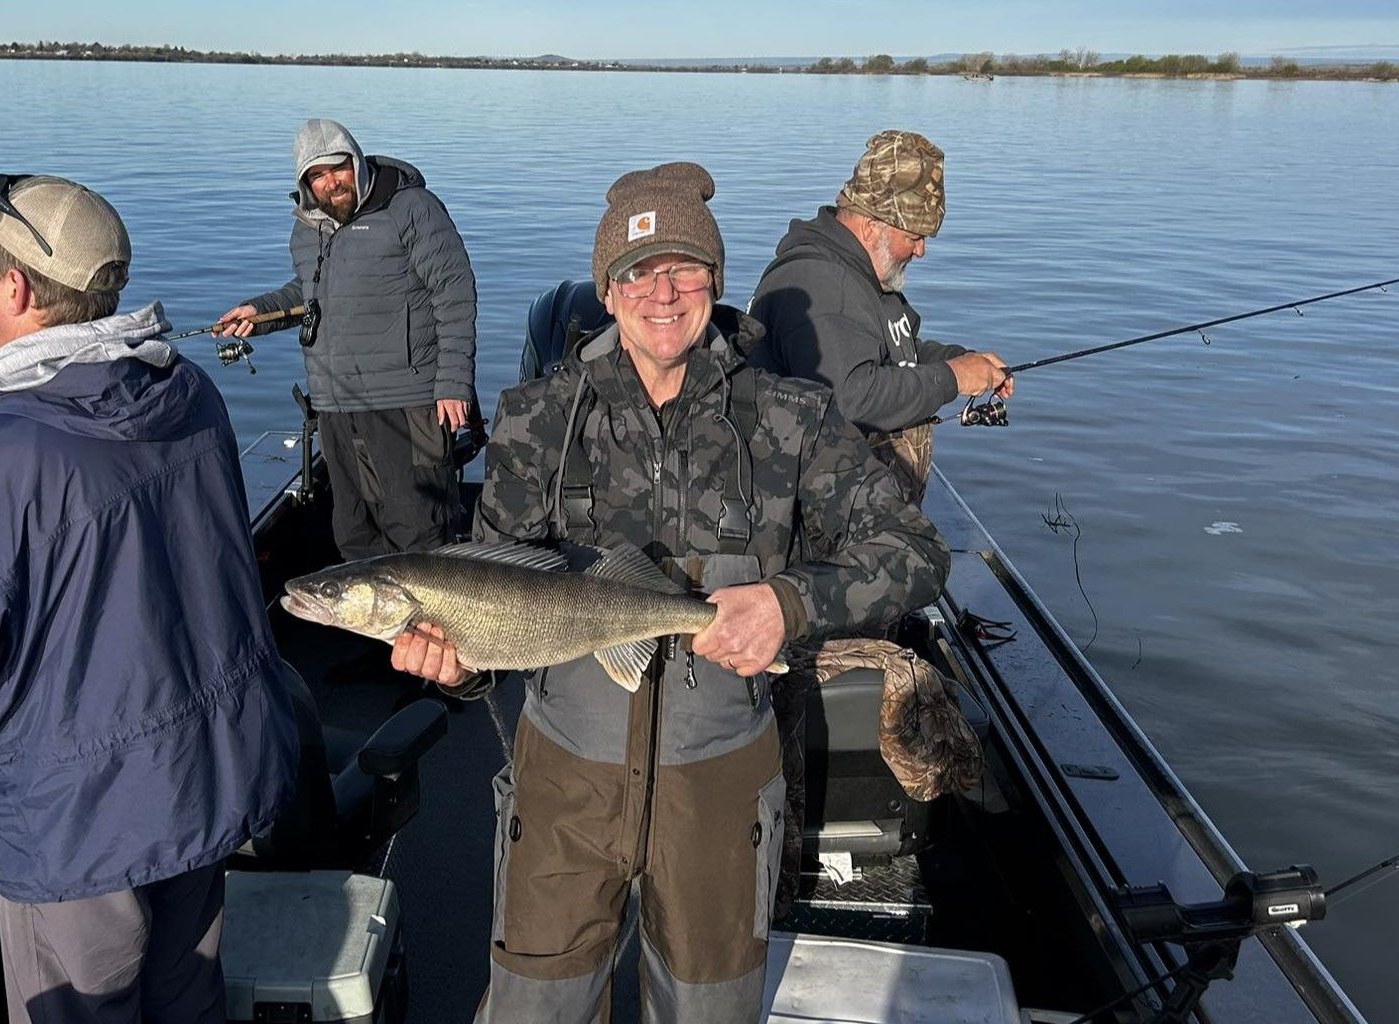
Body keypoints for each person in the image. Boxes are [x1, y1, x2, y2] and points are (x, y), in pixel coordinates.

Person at [393, 162, 950, 1022]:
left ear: (715, 284)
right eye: (638, 273)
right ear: (609, 291)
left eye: (684, 271)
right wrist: (457, 666)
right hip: (564, 786)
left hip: (721, 787)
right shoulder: (536, 418)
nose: (663, 293)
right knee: (533, 1007)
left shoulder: (790, 417)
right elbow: (493, 592)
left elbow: (914, 550)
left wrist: (789, 603)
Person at [0, 174, 300, 1024]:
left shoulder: (4, 462)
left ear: (15, 287)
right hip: (204, 783)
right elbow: (101, 499)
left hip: (81, 827)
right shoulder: (187, 391)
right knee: (184, 1005)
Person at [215, 118, 478, 559]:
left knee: (419, 535)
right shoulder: (307, 229)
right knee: (355, 537)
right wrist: (259, 313)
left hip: (406, 403)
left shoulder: (411, 208)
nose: (331, 182)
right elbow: (310, 292)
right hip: (336, 407)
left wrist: (453, 381)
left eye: (337, 168)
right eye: (317, 176)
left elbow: (454, 290)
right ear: (305, 183)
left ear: (355, 161)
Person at [749, 129, 1013, 506]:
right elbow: (854, 396)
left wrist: (963, 361)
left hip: (862, 510)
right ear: (874, 225)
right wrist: (952, 378)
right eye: (915, 236)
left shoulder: (861, 274)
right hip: (817, 515)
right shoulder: (824, 284)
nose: (920, 251)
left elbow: (896, 351)